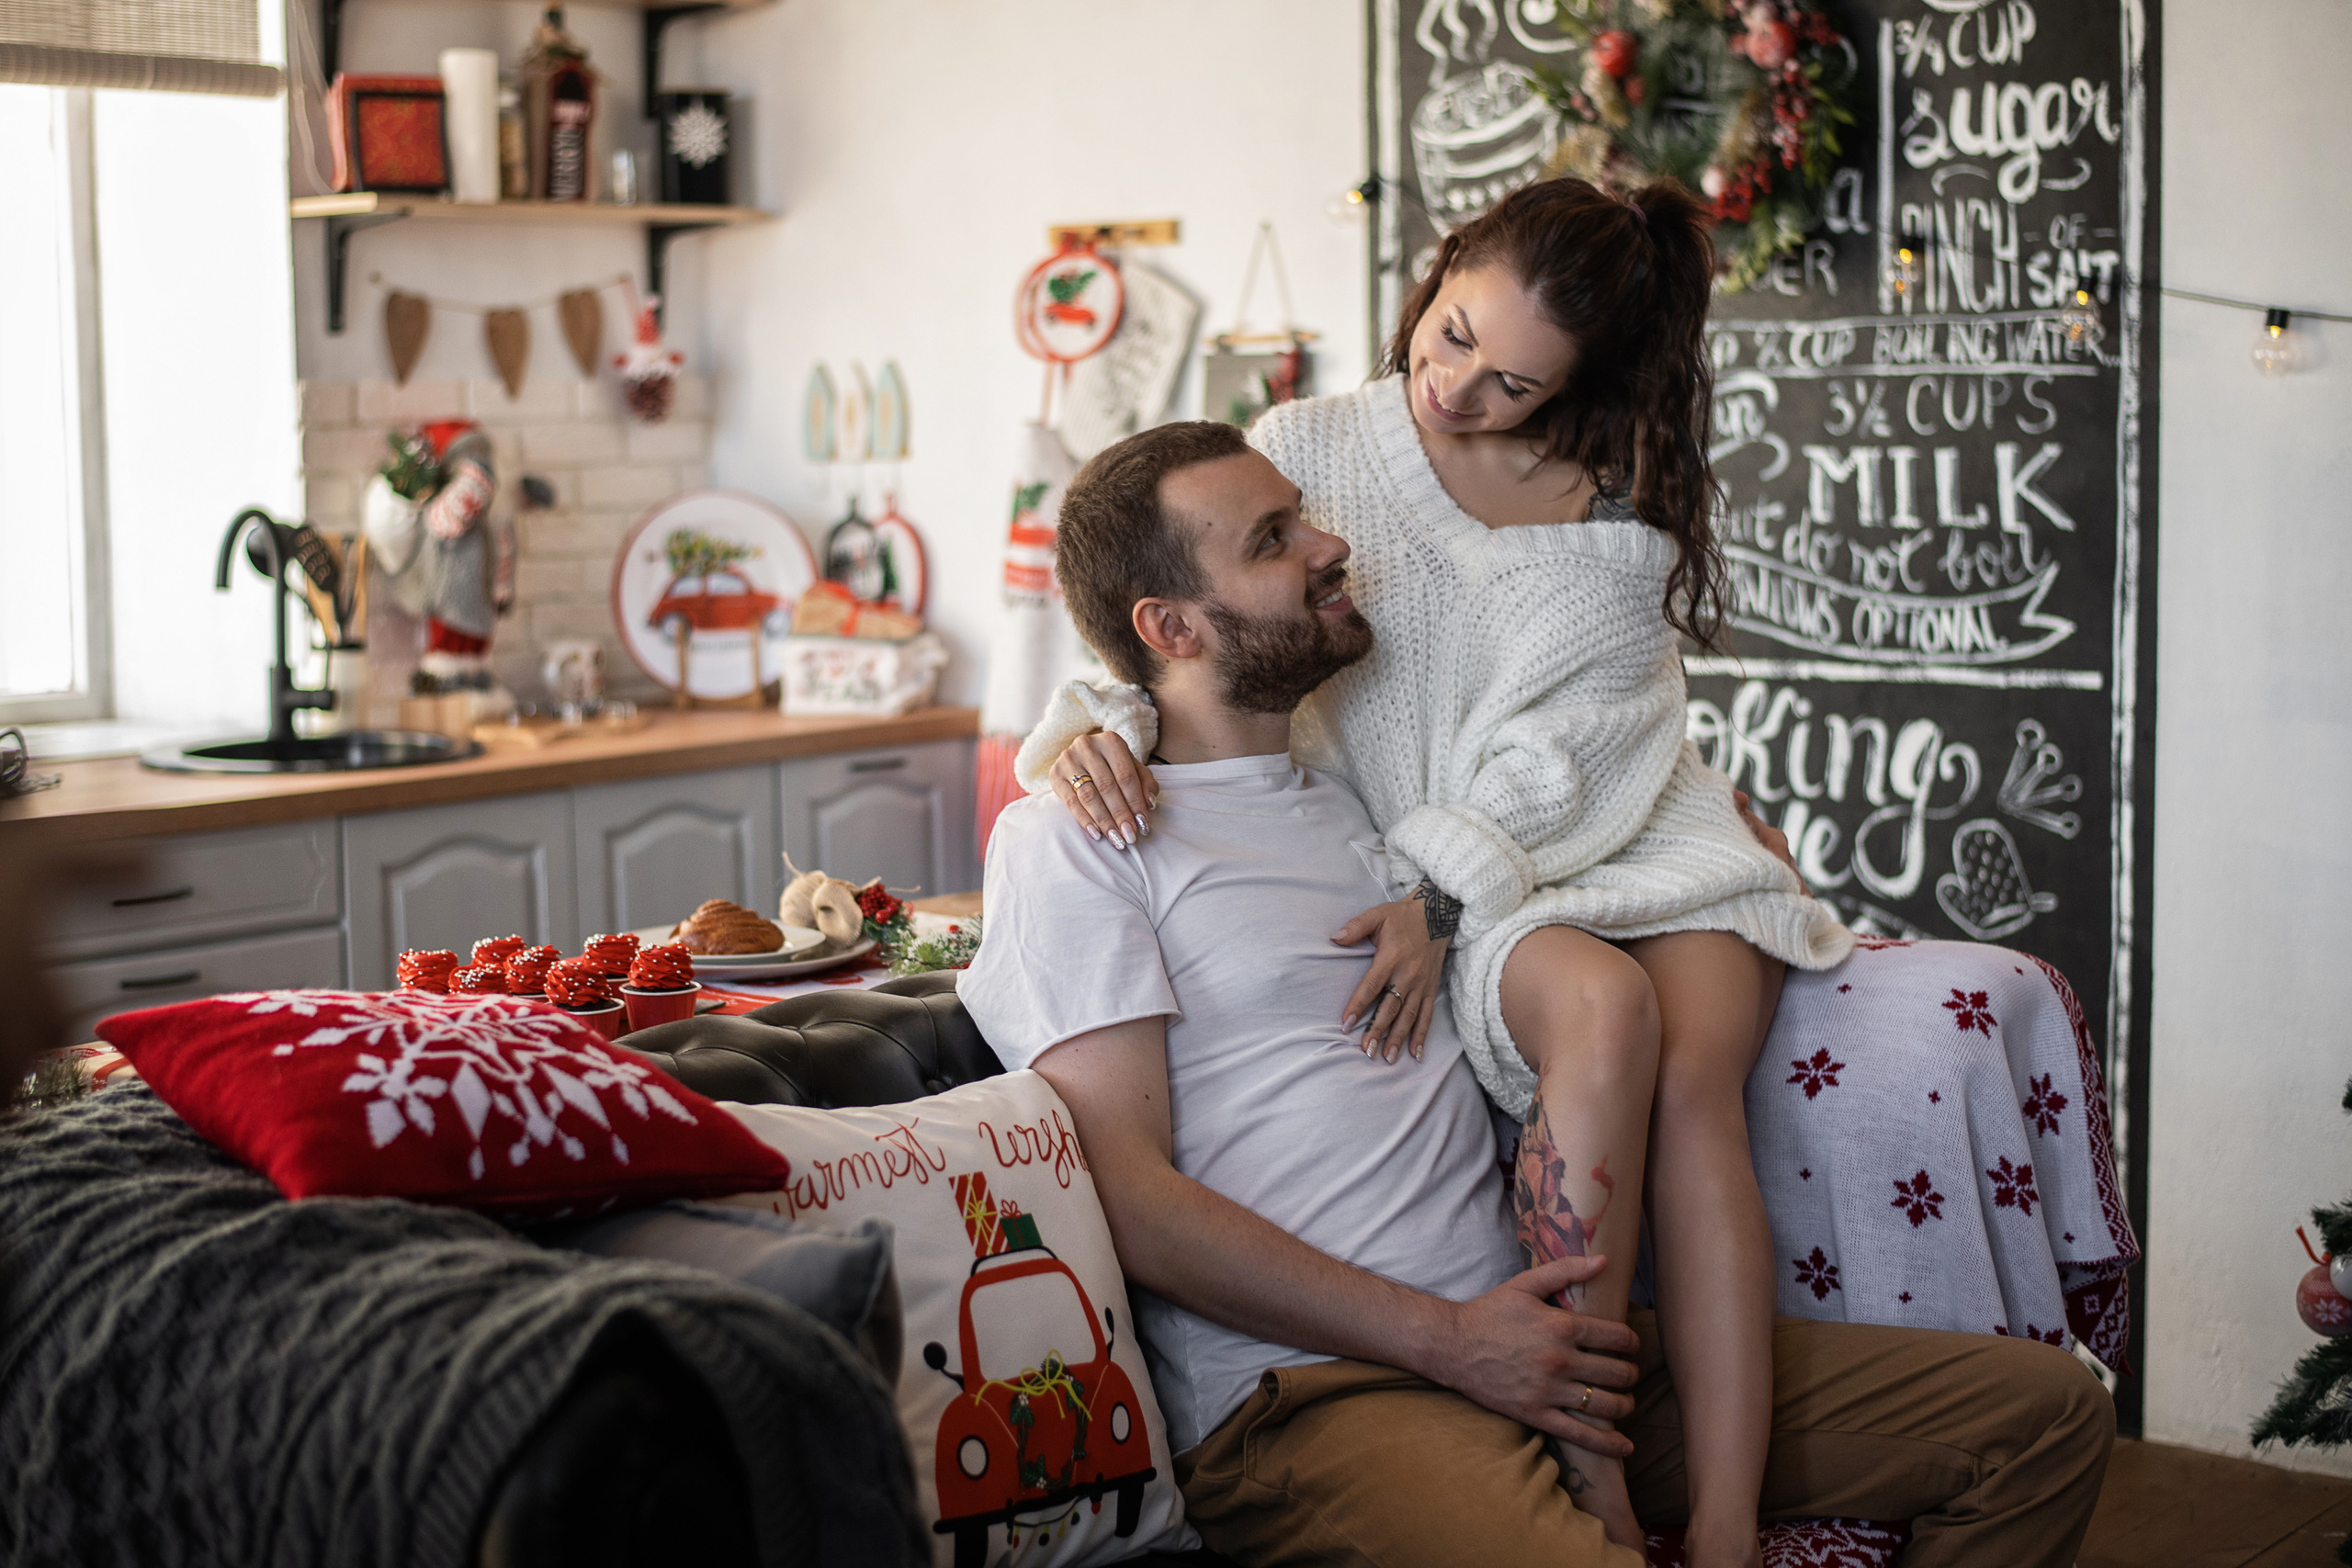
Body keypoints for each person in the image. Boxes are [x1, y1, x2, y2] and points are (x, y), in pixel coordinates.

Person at [957, 420, 2113, 1567]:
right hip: (1322, 1399)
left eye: (1304, 512)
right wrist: (1452, 1341)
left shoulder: (1362, 788)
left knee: (2044, 1417)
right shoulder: (1079, 840)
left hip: (1544, 1348)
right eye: (1272, 539)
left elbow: (1591, 792)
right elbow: (1127, 1196)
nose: (1327, 543)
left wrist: (1737, 854)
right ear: (1170, 627)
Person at [1023, 176, 1846, 1560]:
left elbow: (1573, 744)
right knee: (1604, 1010)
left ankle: (1719, 1521)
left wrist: (1444, 886)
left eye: (1513, 380)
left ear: (1582, 382)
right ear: (1443, 265)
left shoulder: (1609, 523)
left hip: (1599, 817)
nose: (1457, 388)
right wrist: (1091, 727)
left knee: (1701, 1077)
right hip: (1444, 851)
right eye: (1452, 333)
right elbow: (1173, 630)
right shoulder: (1307, 447)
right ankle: (1594, 1474)